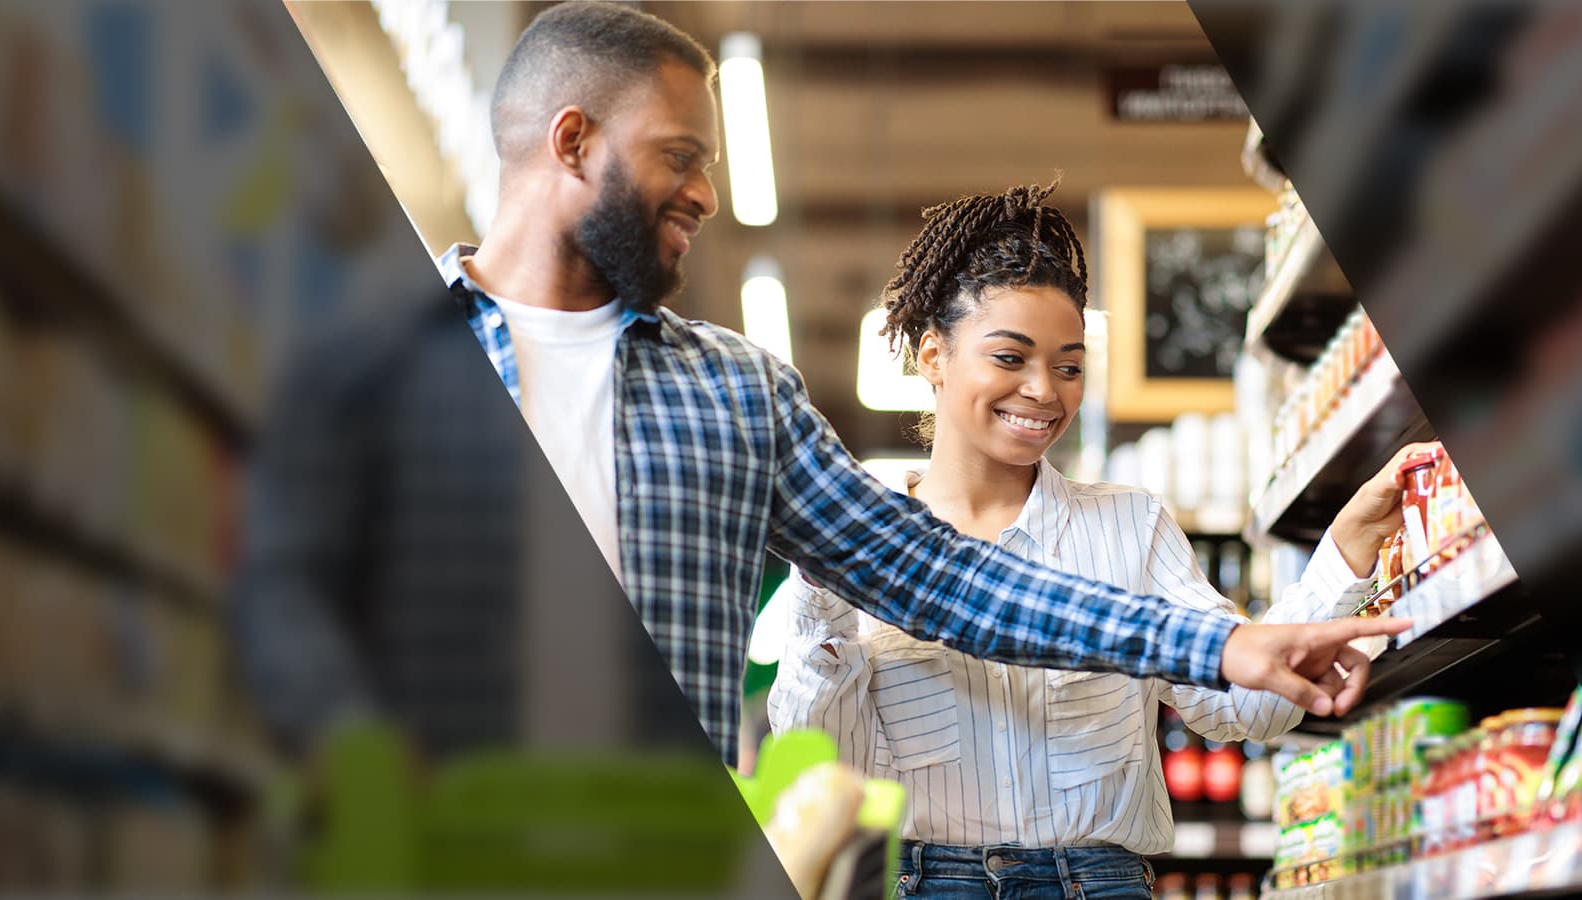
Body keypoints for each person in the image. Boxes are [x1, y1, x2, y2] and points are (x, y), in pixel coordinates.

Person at [436, 0, 1405, 766]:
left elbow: (944, 580)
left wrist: (1232, 644)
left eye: (1069, 364)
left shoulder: (735, 395)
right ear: (571, 142)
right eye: (679, 156)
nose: (706, 193)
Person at [767, 183, 1427, 898]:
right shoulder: (867, 544)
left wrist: (1352, 542)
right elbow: (818, 759)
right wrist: (820, 583)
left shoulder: (1128, 525)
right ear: (933, 355)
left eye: (1069, 365)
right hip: (925, 882)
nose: (1045, 391)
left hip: (1099, 883)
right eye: (1010, 358)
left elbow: (1245, 708)